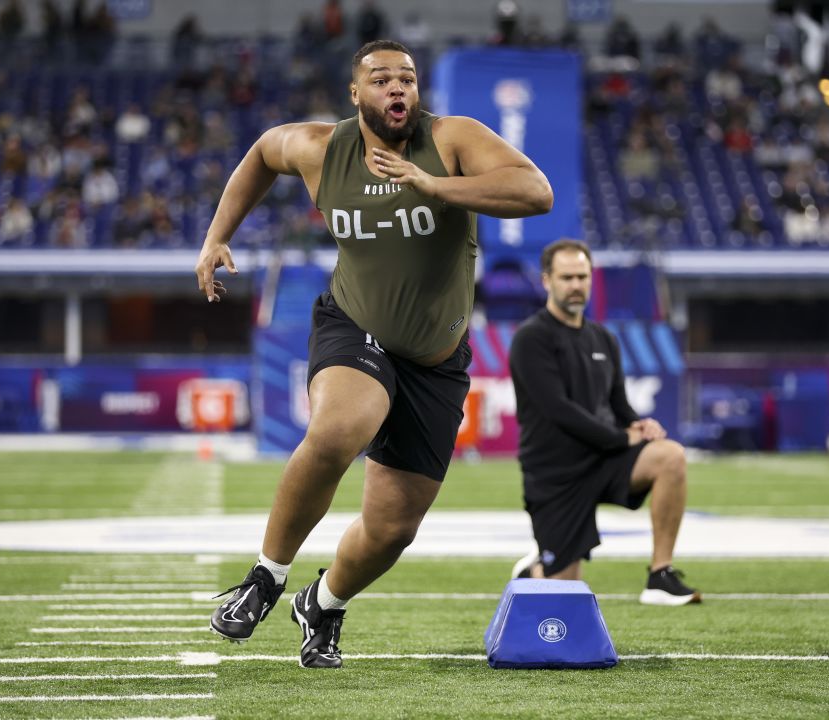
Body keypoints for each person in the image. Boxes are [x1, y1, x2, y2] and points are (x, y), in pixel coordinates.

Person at [193, 40, 553, 668]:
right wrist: (217, 236)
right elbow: (259, 155)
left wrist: (433, 184)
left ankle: (324, 604)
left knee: (392, 529)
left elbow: (535, 192)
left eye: (407, 79)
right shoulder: (319, 149)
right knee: (339, 429)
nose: (397, 89)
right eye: (381, 79)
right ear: (355, 95)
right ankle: (266, 577)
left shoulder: (453, 139)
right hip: (354, 324)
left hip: (436, 360)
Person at [508, 239, 699, 606]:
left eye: (583, 276)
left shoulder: (604, 338)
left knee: (670, 456)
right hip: (555, 473)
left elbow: (617, 404)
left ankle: (660, 575)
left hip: (602, 459)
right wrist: (620, 437)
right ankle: (535, 571)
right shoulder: (531, 338)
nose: (576, 285)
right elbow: (558, 410)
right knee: (564, 591)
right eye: (567, 277)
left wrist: (639, 427)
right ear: (547, 281)